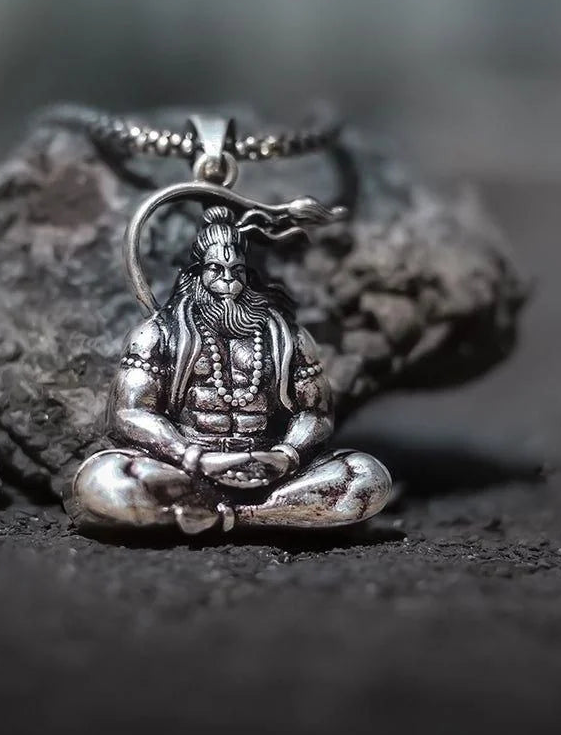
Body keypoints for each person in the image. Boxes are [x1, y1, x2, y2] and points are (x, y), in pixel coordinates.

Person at [70, 206, 391, 534]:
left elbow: (316, 413)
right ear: (196, 274)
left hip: (271, 470)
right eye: (216, 269)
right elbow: (130, 412)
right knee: (102, 480)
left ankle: (233, 516)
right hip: (186, 470)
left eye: (237, 270)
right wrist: (193, 457)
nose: (228, 280)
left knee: (365, 475)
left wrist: (287, 455)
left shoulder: (286, 336)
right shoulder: (158, 333)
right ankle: (270, 514)